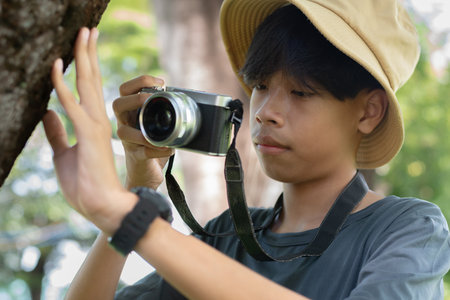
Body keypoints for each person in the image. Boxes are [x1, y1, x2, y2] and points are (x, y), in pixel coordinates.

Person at [42, 0, 450, 299]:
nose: (266, 112)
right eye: (260, 86)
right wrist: (133, 196)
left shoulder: (407, 228)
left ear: (369, 111)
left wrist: (132, 219)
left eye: (302, 92)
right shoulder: (226, 237)